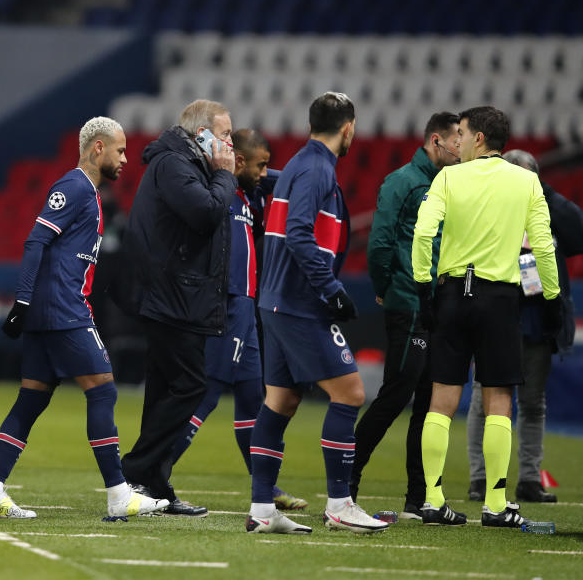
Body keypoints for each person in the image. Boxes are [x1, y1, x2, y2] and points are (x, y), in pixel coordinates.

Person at [0, 117, 167, 519]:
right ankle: (118, 495)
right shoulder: (74, 186)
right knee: (103, 389)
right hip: (62, 309)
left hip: (52, 310)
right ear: (98, 148)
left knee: (30, 400)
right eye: (120, 150)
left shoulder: (89, 193)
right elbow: (35, 241)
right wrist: (23, 301)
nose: (126, 159)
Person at [247, 92, 388, 535]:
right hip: (299, 304)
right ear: (348, 128)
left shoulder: (298, 166)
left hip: (276, 300)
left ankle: (262, 511)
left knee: (281, 401)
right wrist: (332, 290)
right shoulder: (315, 170)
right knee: (350, 394)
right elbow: (298, 234)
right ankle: (340, 504)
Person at [413, 106, 561, 528]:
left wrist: (425, 285)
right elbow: (544, 245)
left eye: (461, 133)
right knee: (499, 401)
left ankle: (433, 499)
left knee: (442, 400)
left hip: (452, 294)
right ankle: (496, 504)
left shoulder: (447, 178)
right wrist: (550, 298)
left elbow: (424, 233)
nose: (455, 142)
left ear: (480, 138)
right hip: (500, 298)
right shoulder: (526, 180)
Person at [167, 128, 307, 511]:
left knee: (252, 400)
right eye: (260, 164)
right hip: (226, 306)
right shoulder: (222, 195)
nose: (266, 172)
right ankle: (153, 476)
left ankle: (266, 488)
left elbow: (281, 178)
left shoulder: (248, 194)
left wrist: (270, 172)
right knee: (206, 395)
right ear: (239, 161)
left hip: (246, 309)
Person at [111, 99, 237, 517]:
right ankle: (133, 469)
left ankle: (153, 485)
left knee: (166, 388)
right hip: (171, 295)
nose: (230, 142)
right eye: (225, 133)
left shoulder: (182, 164)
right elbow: (206, 213)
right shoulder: (175, 165)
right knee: (190, 385)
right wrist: (224, 176)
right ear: (201, 134)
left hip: (177, 294)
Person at [350, 112, 462, 519]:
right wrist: (385, 288)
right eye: (457, 142)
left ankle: (419, 499)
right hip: (409, 302)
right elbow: (379, 244)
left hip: (435, 306)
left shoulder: (446, 185)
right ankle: (346, 483)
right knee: (395, 395)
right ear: (437, 141)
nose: (461, 149)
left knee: (428, 404)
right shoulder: (401, 182)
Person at [466, 149, 583, 504]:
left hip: (537, 319)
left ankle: (529, 479)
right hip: (496, 315)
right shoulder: (487, 208)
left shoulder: (547, 209)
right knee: (484, 401)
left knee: (533, 403)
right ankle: (480, 477)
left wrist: (541, 192)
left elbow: (578, 230)